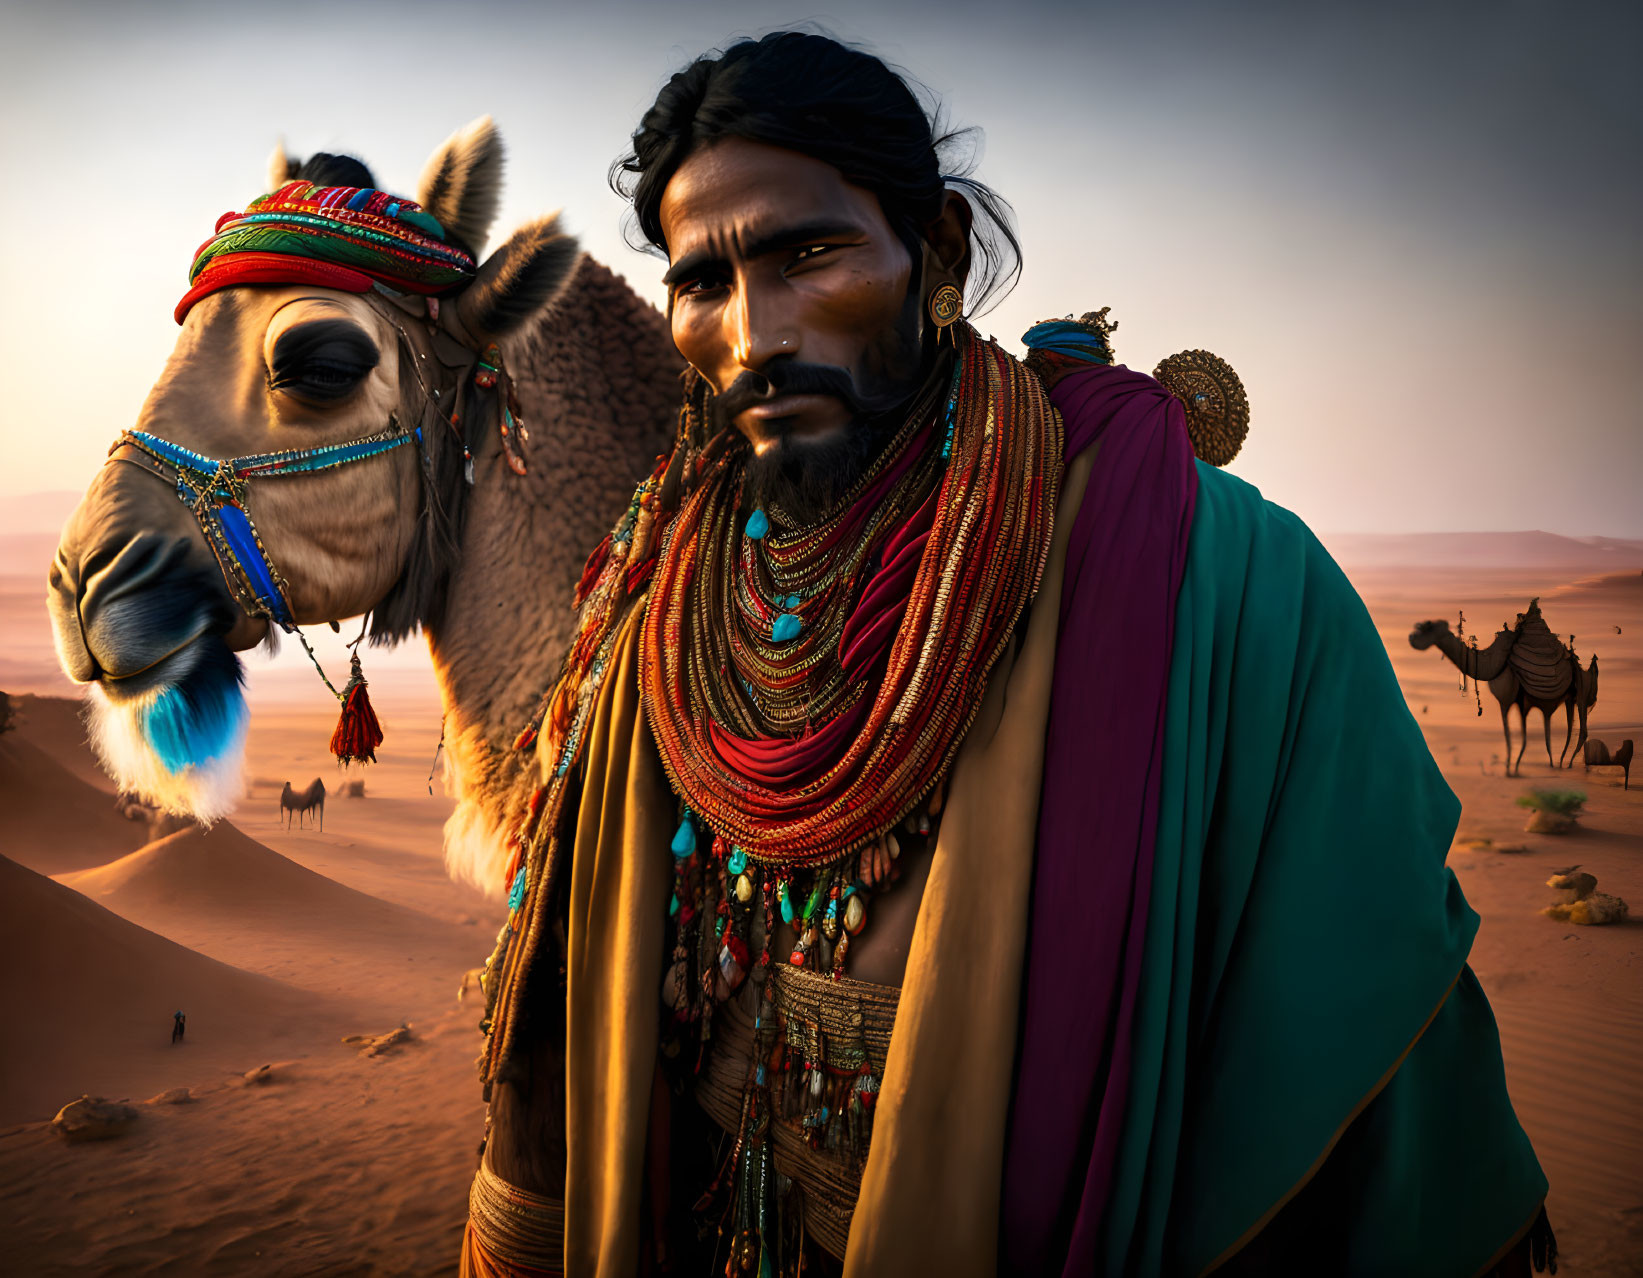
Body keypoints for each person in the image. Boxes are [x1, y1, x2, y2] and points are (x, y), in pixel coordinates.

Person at [461, 32, 1551, 1278]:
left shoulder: (1220, 577)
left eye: (808, 253)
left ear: (934, 251)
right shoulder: (662, 580)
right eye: (702, 281)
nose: (752, 334)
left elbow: (1355, 1044)